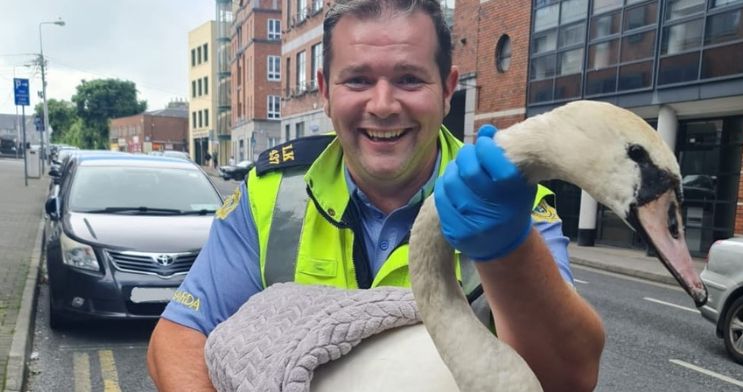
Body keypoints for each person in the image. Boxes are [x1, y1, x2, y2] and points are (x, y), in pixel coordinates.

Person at [147, 1, 605, 391]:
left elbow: (569, 378)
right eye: (358, 80)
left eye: (409, 79)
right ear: (325, 92)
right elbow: (180, 335)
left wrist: (511, 247)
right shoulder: (272, 193)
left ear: (447, 89)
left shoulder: (515, 205)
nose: (383, 105)